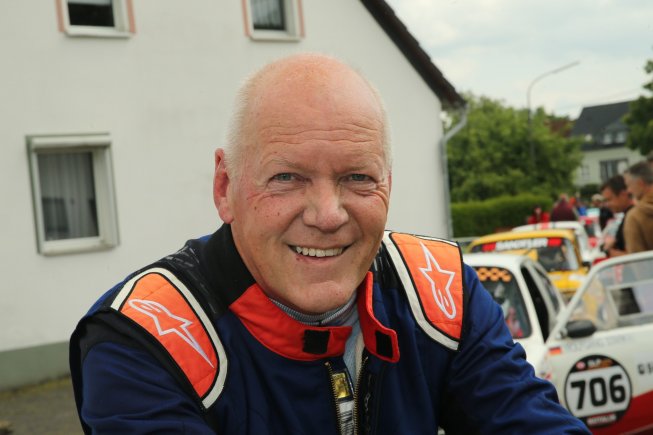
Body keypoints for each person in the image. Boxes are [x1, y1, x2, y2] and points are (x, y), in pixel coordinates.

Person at [69, 53, 589, 434]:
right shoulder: (146, 339)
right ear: (225, 188)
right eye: (287, 177)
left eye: (357, 177)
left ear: (389, 184)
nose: (328, 215)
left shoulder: (441, 294)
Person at [600, 174, 635, 257]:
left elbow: (635, 257)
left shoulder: (633, 217)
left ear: (623, 194)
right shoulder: (629, 215)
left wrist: (608, 251)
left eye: (609, 199)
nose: (607, 204)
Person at [623, 161, 653, 253]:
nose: (628, 190)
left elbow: (636, 257)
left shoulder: (635, 216)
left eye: (629, 185)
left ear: (640, 183)